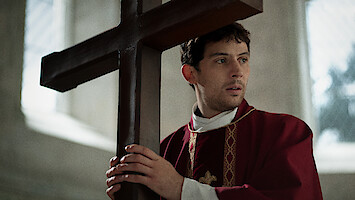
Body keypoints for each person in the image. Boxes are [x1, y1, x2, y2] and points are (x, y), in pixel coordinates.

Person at [105, 22, 323, 200]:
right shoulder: (164, 152)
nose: (237, 72)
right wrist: (130, 195)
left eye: (243, 59)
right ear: (191, 74)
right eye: (221, 60)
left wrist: (180, 189)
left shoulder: (285, 134)